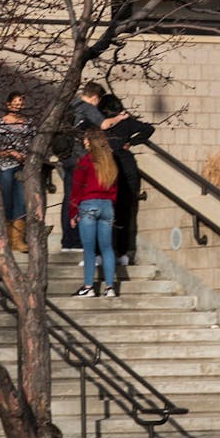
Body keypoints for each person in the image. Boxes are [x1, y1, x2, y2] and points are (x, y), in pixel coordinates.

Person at [59, 81, 128, 249]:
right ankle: (76, 240)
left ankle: (67, 240)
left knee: (68, 197)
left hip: (66, 155)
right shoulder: (87, 107)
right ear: (95, 97)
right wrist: (120, 117)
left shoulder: (70, 105)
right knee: (79, 197)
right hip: (79, 158)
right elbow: (104, 124)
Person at [99, 90, 155, 268]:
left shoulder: (101, 123)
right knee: (126, 213)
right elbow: (148, 128)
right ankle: (124, 251)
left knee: (107, 213)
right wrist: (132, 142)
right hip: (127, 167)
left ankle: (104, 252)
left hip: (109, 168)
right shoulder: (126, 122)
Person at [69, 130, 119, 297]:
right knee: (107, 248)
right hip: (107, 206)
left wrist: (73, 211)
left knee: (89, 249)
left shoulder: (85, 161)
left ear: (91, 142)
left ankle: (88, 286)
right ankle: (110, 287)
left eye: (86, 139)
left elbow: (77, 188)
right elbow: (115, 189)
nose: (84, 142)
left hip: (88, 204)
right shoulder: (110, 163)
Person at [0, 91, 35, 253]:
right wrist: (10, 152)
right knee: (7, 200)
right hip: (5, 167)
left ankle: (18, 240)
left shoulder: (28, 124)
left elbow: (34, 144)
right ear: (8, 105)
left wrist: (27, 156)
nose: (19, 105)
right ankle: (6, 239)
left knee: (21, 201)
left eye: (21, 102)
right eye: (15, 102)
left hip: (23, 168)